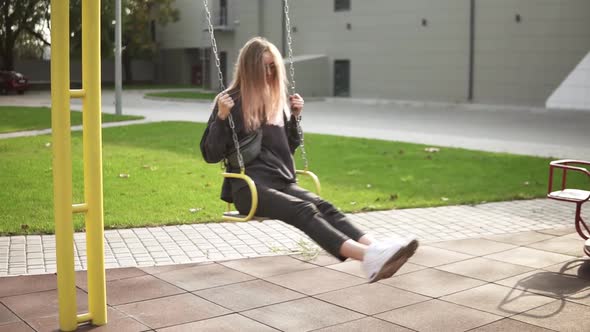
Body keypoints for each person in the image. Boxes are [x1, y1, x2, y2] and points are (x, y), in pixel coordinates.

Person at [200, 36, 418, 283]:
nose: (270, 72)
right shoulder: (230, 101)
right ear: (250, 68)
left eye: (273, 66)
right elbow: (211, 154)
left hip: (281, 182)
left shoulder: (276, 101)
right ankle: (369, 257)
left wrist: (294, 117)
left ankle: (378, 250)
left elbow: (287, 148)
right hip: (249, 188)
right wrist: (221, 117)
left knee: (324, 206)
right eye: (264, 66)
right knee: (302, 209)